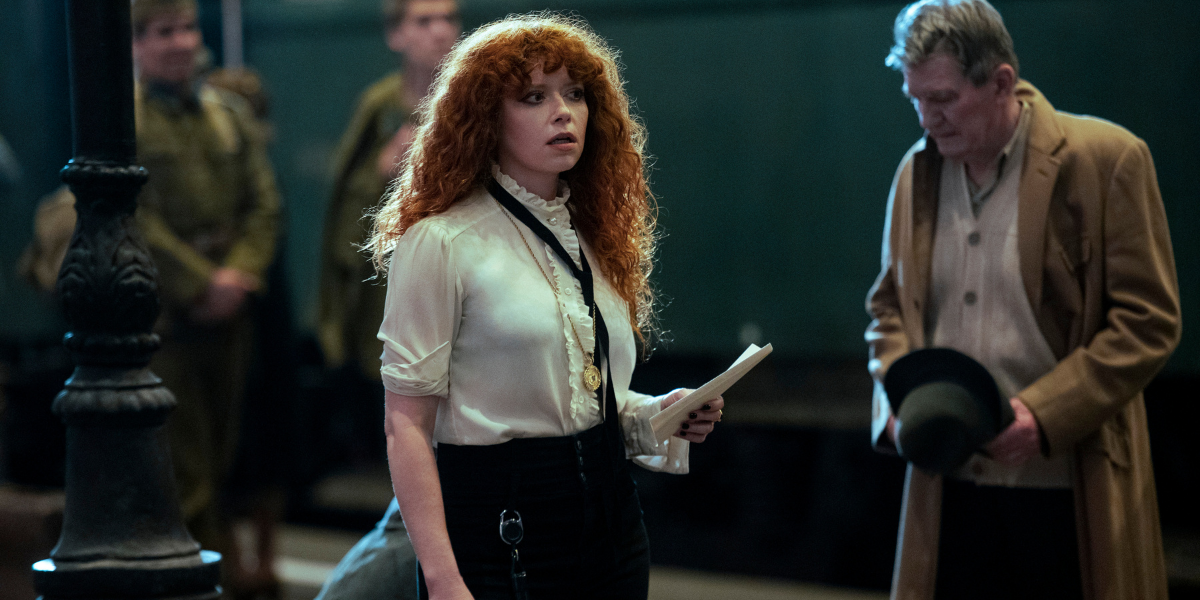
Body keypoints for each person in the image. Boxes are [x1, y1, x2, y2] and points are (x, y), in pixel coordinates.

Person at [368, 13, 725, 600]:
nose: (563, 112)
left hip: (614, 530)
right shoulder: (442, 241)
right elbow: (405, 425)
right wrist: (442, 579)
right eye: (534, 97)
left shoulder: (593, 232)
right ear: (486, 117)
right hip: (505, 535)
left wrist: (654, 411)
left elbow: (576, 394)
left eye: (575, 94)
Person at [865, 1, 1180, 598]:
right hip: (949, 481)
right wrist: (898, 399)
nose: (927, 119)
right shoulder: (916, 173)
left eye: (944, 99)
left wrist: (1045, 415)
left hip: (1064, 487)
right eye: (916, 100)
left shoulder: (1106, 160)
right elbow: (888, 309)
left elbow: (1149, 322)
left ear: (1001, 81)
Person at [130, 0, 280, 593]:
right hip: (169, 320)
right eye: (164, 32)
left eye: (188, 28)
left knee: (220, 460)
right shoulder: (130, 123)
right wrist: (201, 282)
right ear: (138, 45)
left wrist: (238, 276)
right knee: (185, 471)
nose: (181, 42)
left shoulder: (228, 117)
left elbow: (264, 205)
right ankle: (201, 584)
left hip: (228, 315)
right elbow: (135, 217)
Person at [317, 0, 460, 383]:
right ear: (396, 34)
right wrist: (382, 169)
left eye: (448, 19)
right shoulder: (380, 106)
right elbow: (344, 205)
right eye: (424, 21)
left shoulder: (475, 101)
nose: (441, 31)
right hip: (391, 279)